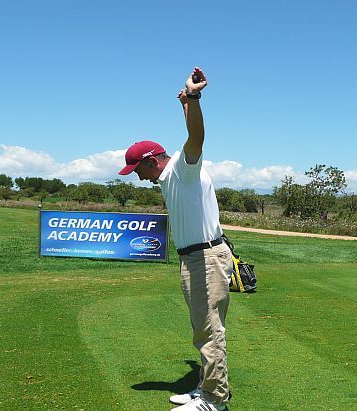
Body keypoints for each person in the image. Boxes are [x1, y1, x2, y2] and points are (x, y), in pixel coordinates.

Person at [118, 67, 232, 411]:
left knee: (209, 331)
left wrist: (194, 99)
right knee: (202, 326)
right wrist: (185, 102)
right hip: (195, 257)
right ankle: (204, 387)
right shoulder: (173, 175)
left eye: (137, 170)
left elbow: (195, 138)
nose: (138, 178)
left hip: (206, 258)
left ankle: (214, 400)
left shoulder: (182, 168)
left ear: (152, 160)